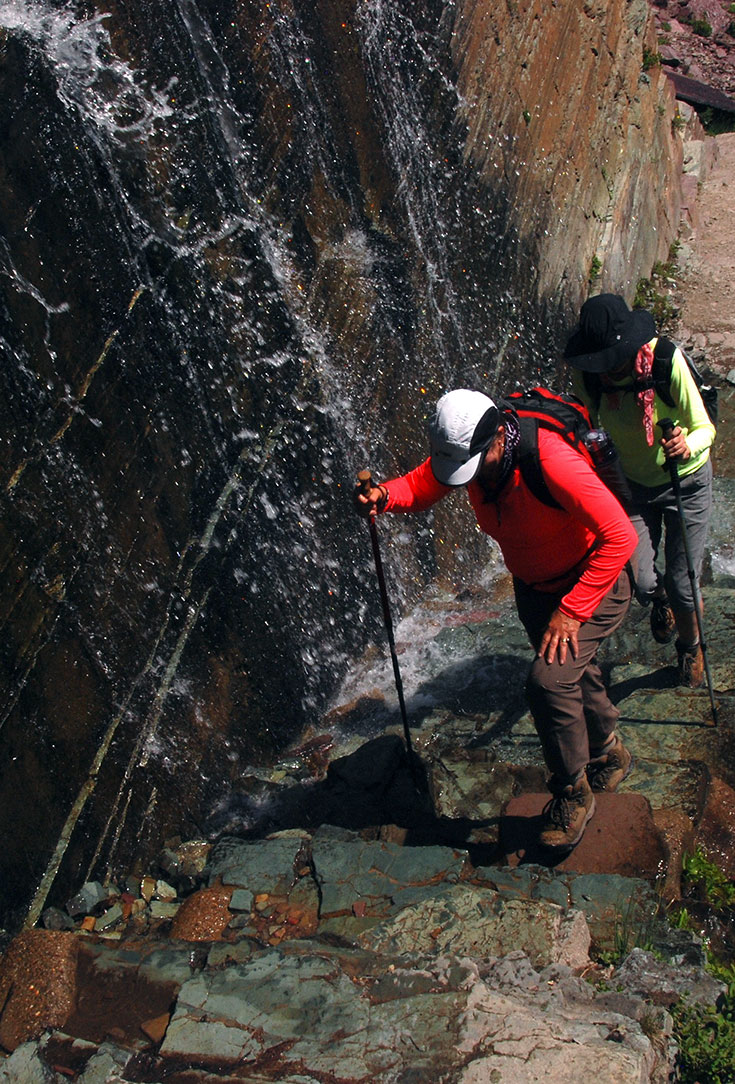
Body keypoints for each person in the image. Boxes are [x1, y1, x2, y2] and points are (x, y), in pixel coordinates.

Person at [354, 388, 637, 852]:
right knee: (574, 672)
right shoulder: (473, 455)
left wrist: (571, 612)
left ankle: (572, 793)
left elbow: (620, 535)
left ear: (498, 441)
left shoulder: (551, 461)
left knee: (548, 682)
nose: (461, 480)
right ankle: (608, 752)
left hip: (591, 580)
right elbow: (427, 482)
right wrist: (386, 495)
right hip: (536, 586)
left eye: (468, 467)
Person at [564, 293, 715, 688]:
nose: (607, 371)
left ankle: (690, 645)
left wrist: (686, 445)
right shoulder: (590, 375)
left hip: (686, 480)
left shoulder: (664, 360)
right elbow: (584, 425)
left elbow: (706, 428)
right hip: (630, 485)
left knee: (684, 585)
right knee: (641, 579)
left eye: (611, 361)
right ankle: (661, 600)